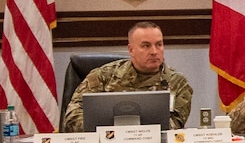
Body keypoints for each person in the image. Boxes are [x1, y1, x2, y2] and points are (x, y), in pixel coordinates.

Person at [61, 20, 192, 131]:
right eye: (146, 46)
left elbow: (174, 127)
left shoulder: (178, 83)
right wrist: (109, 132)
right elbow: (72, 116)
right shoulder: (104, 76)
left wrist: (131, 133)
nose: (154, 51)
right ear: (131, 50)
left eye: (159, 45)